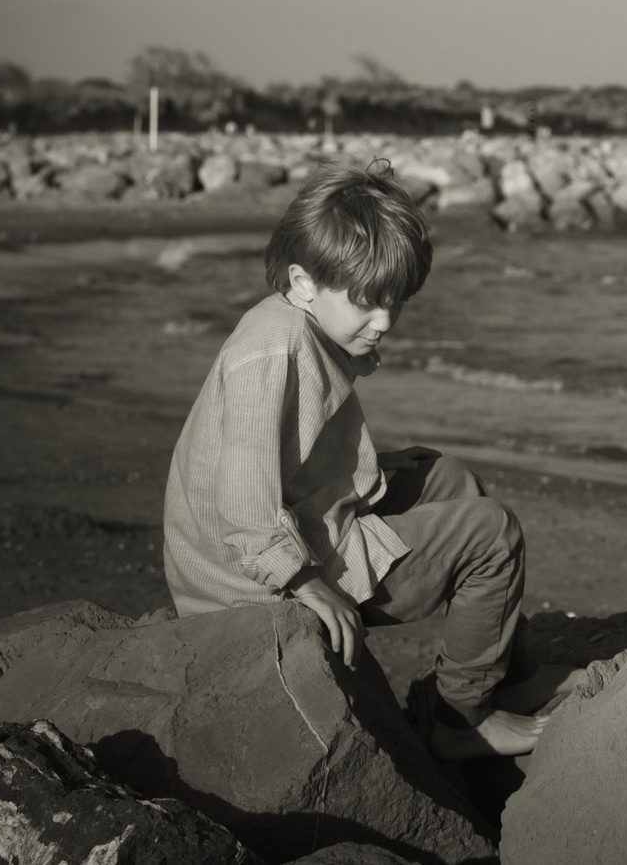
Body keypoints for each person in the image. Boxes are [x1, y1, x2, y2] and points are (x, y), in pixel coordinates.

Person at [163, 161, 572, 759]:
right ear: (304, 282)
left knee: (451, 478)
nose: (384, 322)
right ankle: (462, 718)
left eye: (396, 302)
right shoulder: (269, 353)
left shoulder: (300, 324)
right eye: (369, 303)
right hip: (249, 585)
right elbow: (245, 511)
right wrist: (308, 586)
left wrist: (376, 464)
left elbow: (282, 456)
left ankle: (509, 672)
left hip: (298, 523)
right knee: (492, 535)